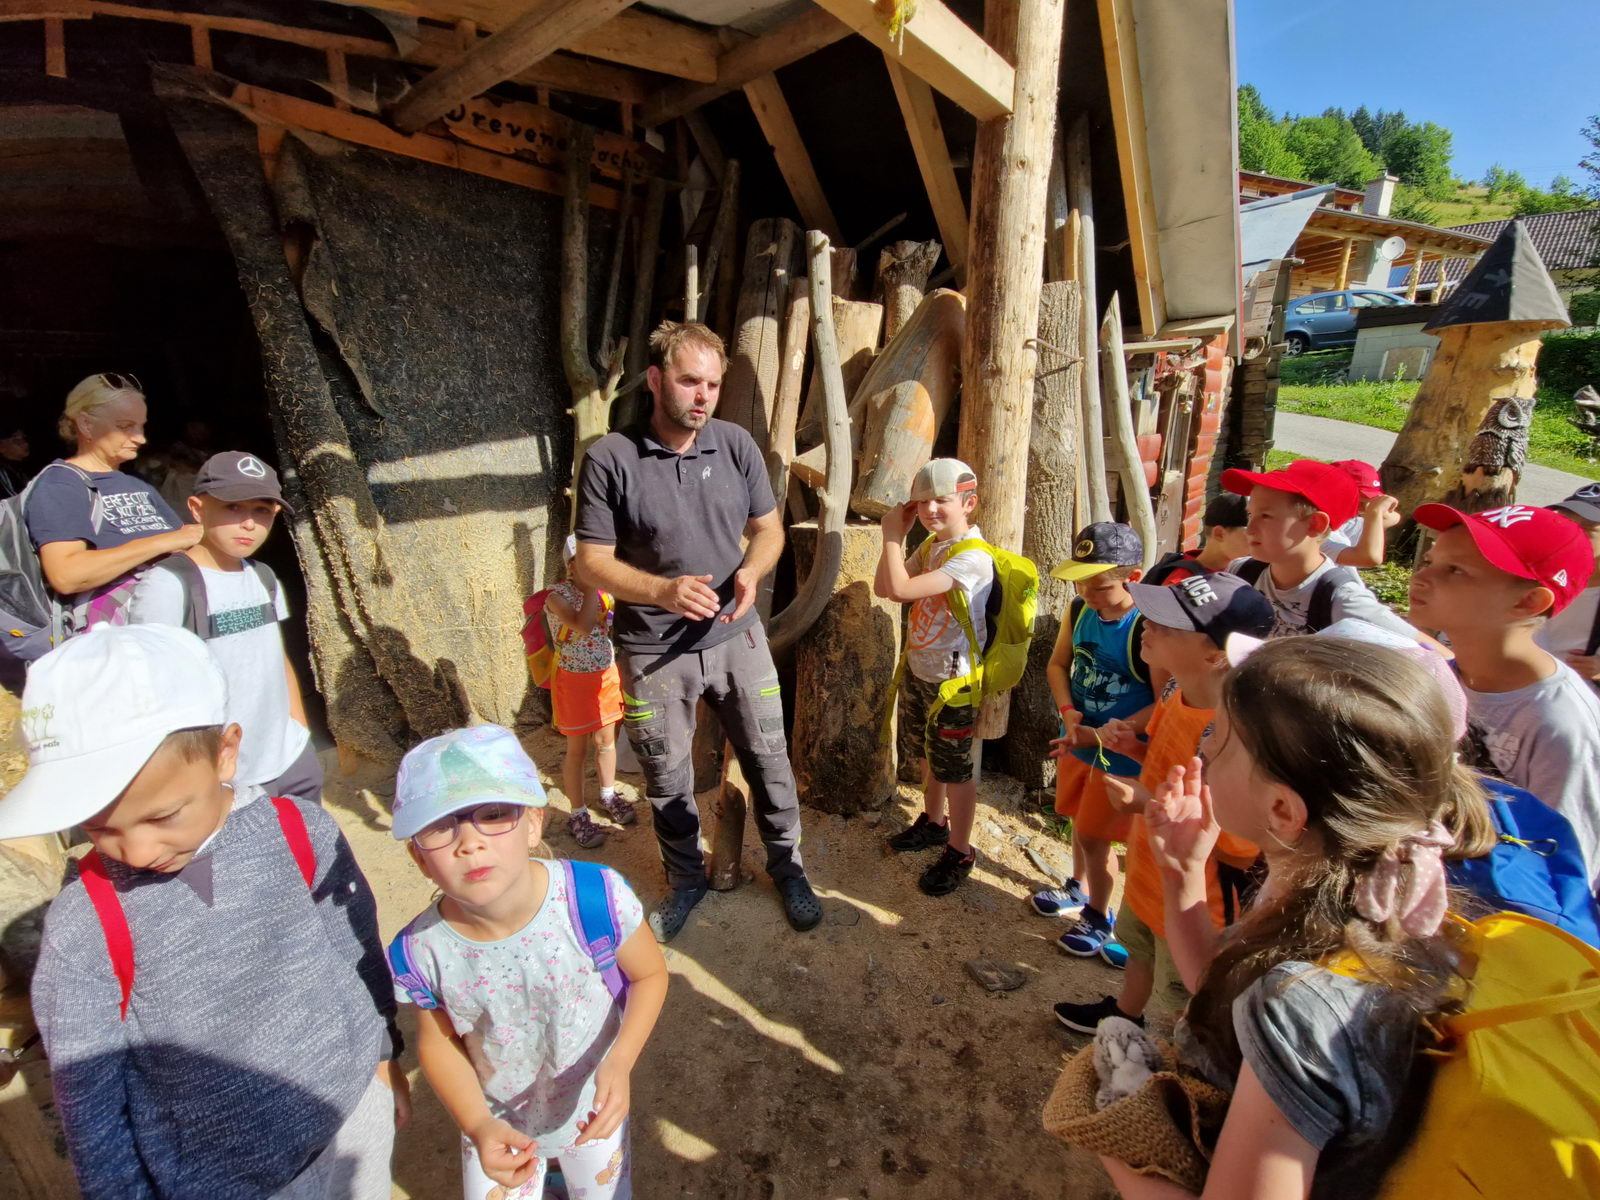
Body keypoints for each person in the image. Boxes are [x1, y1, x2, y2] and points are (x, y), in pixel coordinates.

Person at [4, 624, 405, 1198]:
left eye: (162, 816)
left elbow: (353, 946)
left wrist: (384, 1052)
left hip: (355, 1116)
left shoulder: (299, 832)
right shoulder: (84, 928)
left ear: (225, 753)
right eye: (100, 828)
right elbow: (91, 1101)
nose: (138, 851)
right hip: (224, 1182)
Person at [1100, 636, 1495, 1198]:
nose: (1204, 745)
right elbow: (1222, 993)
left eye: (1221, 737)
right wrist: (1183, 873)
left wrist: (1118, 1140)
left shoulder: (1302, 1005)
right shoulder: (1363, 898)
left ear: (1283, 809)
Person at [573, 320, 820, 942]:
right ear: (656, 380)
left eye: (712, 383)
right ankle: (685, 880)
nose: (703, 395)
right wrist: (662, 590)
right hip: (653, 650)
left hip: (737, 636)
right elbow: (590, 562)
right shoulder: (610, 458)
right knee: (666, 775)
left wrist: (752, 572)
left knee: (769, 759)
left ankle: (788, 869)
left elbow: (768, 530)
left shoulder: (735, 445)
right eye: (689, 381)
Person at [388, 725, 669, 1200]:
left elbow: (650, 975)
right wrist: (476, 1124)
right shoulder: (420, 951)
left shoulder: (593, 899)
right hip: (496, 1123)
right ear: (418, 857)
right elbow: (438, 1042)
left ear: (534, 823)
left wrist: (621, 1062)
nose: (469, 843)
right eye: (440, 825)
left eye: (494, 814)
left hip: (591, 1108)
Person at [1051, 572, 1274, 1034]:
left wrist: (1145, 801)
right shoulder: (1175, 692)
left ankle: (1178, 1057)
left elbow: (1237, 841)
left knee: (1185, 993)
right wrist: (1135, 749)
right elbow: (1164, 758)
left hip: (1200, 903)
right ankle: (1125, 1014)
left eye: (1168, 625)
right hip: (1151, 871)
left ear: (1214, 655)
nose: (1147, 624)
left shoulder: (1235, 731)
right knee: (1140, 949)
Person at [1409, 501, 1600, 891]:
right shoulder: (1437, 676)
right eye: (1430, 561)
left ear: (1529, 602)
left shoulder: (1560, 725)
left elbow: (1566, 872)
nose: (1421, 577)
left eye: (1455, 570)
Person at [127, 451, 322, 804]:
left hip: (290, 757)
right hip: (228, 774)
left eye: (261, 510)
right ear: (197, 508)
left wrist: (299, 729)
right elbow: (149, 686)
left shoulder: (262, 577)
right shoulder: (169, 584)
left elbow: (276, 656)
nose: (248, 523)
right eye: (233, 507)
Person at [1032, 523, 1163, 967]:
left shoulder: (1145, 627)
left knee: (1096, 834)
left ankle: (1099, 915)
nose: (1088, 592)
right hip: (1079, 740)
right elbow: (1058, 664)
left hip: (1120, 753)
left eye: (1100, 585)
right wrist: (1069, 712)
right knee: (1078, 818)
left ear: (1133, 578)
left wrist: (1111, 730)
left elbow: (1163, 700)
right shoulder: (1079, 609)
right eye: (1081, 581)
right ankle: (1079, 886)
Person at [876, 457, 995, 896]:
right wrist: (898, 538)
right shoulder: (932, 547)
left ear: (969, 502)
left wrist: (892, 535)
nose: (929, 510)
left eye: (941, 500)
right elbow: (884, 587)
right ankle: (933, 821)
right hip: (922, 669)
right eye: (922, 501)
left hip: (953, 683)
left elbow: (901, 590)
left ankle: (960, 850)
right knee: (927, 755)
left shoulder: (973, 557)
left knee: (956, 769)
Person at [25, 373, 201, 632]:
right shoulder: (61, 485)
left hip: (168, 626)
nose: (140, 438)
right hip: (115, 641)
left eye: (140, 426)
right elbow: (67, 575)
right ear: (86, 425)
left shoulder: (136, 484)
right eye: (125, 426)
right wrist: (166, 541)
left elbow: (184, 543)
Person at [1220, 460, 1419, 639]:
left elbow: (1429, 651)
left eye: (1265, 516)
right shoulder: (1240, 571)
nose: (1250, 529)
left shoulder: (1343, 601)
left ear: (1315, 524)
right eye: (1250, 515)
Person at [546, 533, 634, 847]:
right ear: (570, 566)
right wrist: (590, 589)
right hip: (573, 681)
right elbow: (582, 626)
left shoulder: (604, 592)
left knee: (606, 742)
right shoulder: (556, 596)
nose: (592, 567)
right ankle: (578, 812)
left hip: (605, 676)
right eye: (584, 561)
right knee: (577, 750)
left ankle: (608, 795)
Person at [1537, 484, 1600, 692]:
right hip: (1524, 683)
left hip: (1576, 694)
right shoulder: (1541, 571)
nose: (1572, 535)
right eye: (1566, 523)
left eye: (1587, 529)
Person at [1142, 494, 1252, 585]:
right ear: (1219, 534)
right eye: (1250, 532)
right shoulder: (1182, 583)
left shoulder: (1244, 570)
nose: (1257, 537)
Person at [1320, 459, 1402, 569]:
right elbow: (1370, 558)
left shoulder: (1345, 523)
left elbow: (1393, 518)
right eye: (1359, 501)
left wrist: (1375, 509)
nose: (1364, 508)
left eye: (1370, 500)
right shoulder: (1321, 533)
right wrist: (1375, 511)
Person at [0, 421, 30, 498]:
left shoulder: (20, 470)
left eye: (24, 439)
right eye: (17, 441)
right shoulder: (2, 472)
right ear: (2, 447)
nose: (25, 444)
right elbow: (14, 500)